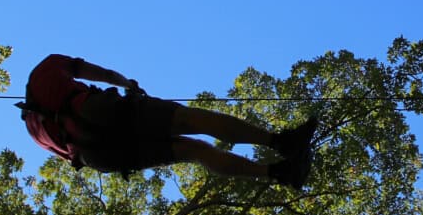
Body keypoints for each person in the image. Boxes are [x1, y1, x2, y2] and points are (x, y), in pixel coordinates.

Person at [16, 54, 316, 188]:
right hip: (96, 111)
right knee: (190, 120)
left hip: (98, 155)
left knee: (194, 151)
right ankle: (281, 143)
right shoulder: (45, 68)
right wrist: (127, 85)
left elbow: (71, 156)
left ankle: (278, 173)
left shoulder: (34, 131)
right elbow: (102, 75)